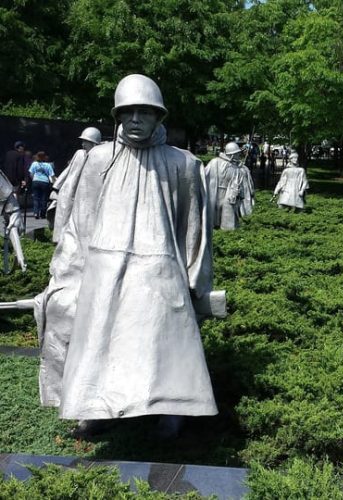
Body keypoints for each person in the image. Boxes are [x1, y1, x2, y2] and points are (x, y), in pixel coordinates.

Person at [36, 74, 222, 440]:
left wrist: (194, 280)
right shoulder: (99, 159)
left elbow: (194, 228)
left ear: (158, 116)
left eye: (145, 112)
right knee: (100, 340)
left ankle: (172, 407)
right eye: (128, 112)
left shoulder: (183, 164)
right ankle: (96, 407)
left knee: (164, 342)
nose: (136, 119)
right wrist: (67, 273)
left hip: (160, 268)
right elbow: (81, 221)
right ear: (118, 117)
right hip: (105, 268)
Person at [50, 127, 102, 242]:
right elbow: (68, 171)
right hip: (70, 193)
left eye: (86, 142)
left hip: (87, 196)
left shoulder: (100, 157)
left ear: (94, 143)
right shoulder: (79, 154)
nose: (83, 144)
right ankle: (61, 241)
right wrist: (56, 188)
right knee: (66, 218)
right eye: (83, 141)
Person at [205, 142, 246, 230]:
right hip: (214, 191)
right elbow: (205, 175)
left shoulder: (236, 167)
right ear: (231, 155)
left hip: (228, 193)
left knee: (226, 213)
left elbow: (238, 184)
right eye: (237, 154)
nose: (239, 155)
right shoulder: (214, 162)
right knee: (214, 211)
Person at [28, 151, 55, 219]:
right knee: (44, 198)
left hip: (36, 181)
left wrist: (33, 179)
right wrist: (54, 183)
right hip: (45, 182)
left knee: (36, 198)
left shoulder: (34, 164)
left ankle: (36, 213)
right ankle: (42, 214)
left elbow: (31, 173)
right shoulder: (48, 165)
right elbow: (52, 175)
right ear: (45, 157)